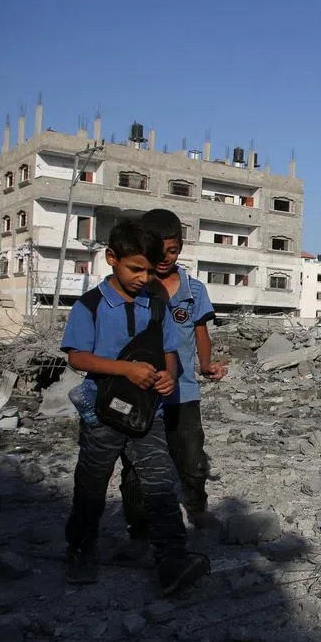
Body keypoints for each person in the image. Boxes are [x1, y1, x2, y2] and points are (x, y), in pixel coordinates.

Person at [60, 219, 209, 595]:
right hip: (102, 415)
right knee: (91, 486)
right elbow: (78, 357)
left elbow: (170, 351)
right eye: (135, 269)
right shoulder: (91, 305)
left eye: (148, 270)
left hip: (149, 415)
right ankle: (80, 549)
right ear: (111, 258)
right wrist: (125, 368)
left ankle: (171, 558)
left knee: (159, 485)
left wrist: (168, 377)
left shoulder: (156, 305)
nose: (143, 278)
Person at [116, 209, 226, 565]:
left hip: (183, 392)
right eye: (158, 251)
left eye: (173, 251)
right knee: (136, 468)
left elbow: (200, 332)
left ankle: (197, 509)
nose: (165, 259)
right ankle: (138, 529)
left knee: (192, 459)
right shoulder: (132, 286)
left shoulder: (194, 290)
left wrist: (206, 365)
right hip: (140, 394)